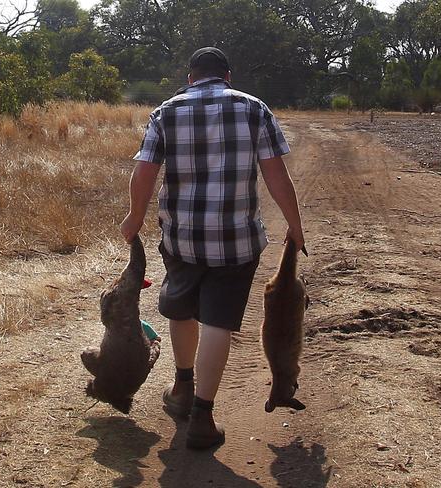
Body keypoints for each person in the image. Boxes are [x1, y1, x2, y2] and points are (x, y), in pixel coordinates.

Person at [120, 47, 304, 449]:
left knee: (181, 307)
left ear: (191, 77)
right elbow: (276, 175)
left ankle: (182, 387)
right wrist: (295, 224)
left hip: (181, 238)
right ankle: (203, 417)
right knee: (218, 323)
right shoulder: (255, 109)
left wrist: (134, 218)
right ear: (227, 75)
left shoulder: (166, 112)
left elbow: (145, 172)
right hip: (237, 242)